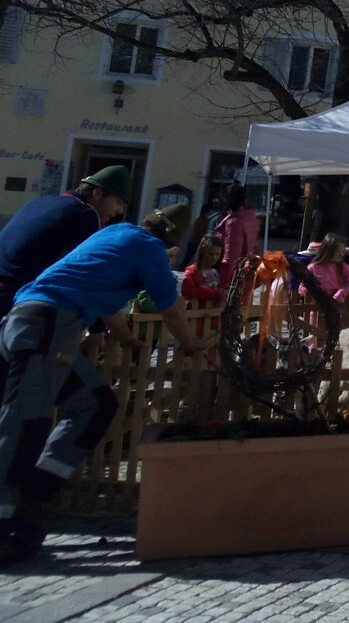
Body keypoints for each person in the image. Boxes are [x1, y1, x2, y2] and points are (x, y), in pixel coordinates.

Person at [0, 205, 208, 562]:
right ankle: (5, 522)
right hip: (47, 328)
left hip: (33, 323)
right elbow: (171, 307)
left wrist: (127, 339)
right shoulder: (149, 249)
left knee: (95, 405)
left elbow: (107, 306)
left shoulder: (113, 235)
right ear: (173, 244)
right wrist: (189, 345)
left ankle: (36, 492)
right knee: (24, 423)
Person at [0, 166, 132, 319]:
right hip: (15, 301)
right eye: (119, 202)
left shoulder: (42, 201)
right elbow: (88, 278)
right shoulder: (85, 215)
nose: (120, 211)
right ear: (97, 193)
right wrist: (98, 328)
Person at [214, 185, 260, 288]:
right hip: (246, 274)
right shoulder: (251, 218)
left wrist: (224, 283)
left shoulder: (234, 222)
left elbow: (231, 256)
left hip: (234, 280)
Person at [302, 234, 349, 303]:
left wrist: (341, 292)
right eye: (338, 251)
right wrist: (306, 289)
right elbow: (303, 285)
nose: (341, 254)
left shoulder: (343, 267)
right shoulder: (313, 268)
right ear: (328, 251)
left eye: (343, 251)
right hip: (317, 308)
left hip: (336, 306)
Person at [181, 235, 225, 305]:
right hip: (195, 312)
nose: (214, 258)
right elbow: (188, 291)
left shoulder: (221, 271)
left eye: (218, 254)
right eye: (211, 254)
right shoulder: (192, 271)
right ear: (202, 252)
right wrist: (216, 292)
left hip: (215, 313)